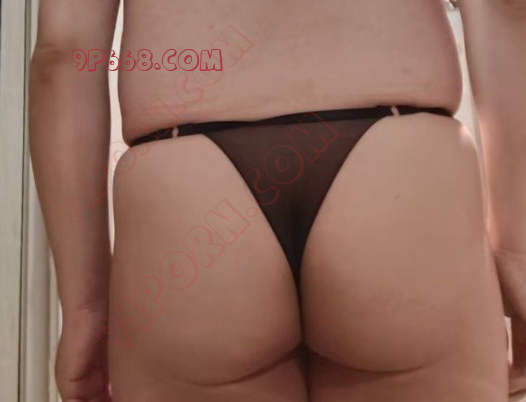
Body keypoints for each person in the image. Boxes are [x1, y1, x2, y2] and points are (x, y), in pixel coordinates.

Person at [28, 0, 526, 401]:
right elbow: (504, 8)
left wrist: (85, 308)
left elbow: (64, 52)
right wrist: (516, 252)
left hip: (190, 183)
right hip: (398, 166)